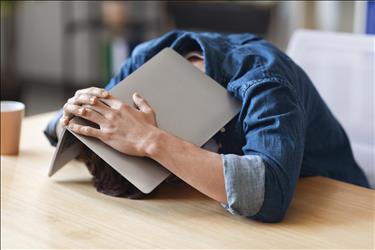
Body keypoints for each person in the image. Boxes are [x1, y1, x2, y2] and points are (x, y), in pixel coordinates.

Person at [44, 30, 369, 222]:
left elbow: (269, 195)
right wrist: (70, 117)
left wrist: (151, 141)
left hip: (342, 209)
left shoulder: (264, 80)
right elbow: (81, 128)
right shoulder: (147, 60)